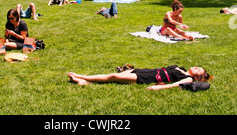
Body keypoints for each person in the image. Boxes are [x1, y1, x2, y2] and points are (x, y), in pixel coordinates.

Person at [68, 65, 211, 89]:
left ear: (197, 78)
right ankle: (83, 82)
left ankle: (81, 76)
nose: (196, 68)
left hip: (148, 78)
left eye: (199, 70)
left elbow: (175, 85)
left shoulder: (189, 79)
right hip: (147, 71)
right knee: (114, 78)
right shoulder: (183, 69)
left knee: (113, 76)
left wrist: (158, 88)